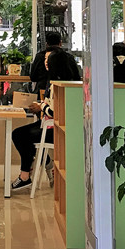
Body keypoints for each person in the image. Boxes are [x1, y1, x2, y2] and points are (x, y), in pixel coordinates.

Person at [10, 46, 81, 191]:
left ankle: (26, 175)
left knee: (20, 135)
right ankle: (44, 164)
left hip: (56, 128)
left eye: (49, 59)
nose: (46, 62)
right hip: (49, 124)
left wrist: (41, 106)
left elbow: (55, 112)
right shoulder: (54, 81)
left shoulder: (60, 84)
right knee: (20, 135)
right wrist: (42, 105)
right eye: (45, 59)